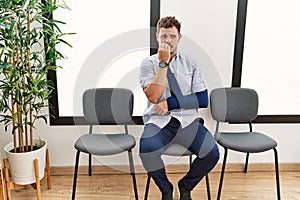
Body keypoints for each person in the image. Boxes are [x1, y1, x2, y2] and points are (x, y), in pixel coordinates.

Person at [139, 16, 220, 200]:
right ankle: (166, 189)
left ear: (179, 37)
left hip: (187, 121)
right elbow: (153, 96)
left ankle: (185, 185)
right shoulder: (148, 64)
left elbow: (202, 99)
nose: (168, 40)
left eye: (172, 36)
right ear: (157, 37)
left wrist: (170, 104)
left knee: (212, 153)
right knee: (146, 150)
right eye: (164, 36)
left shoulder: (190, 62)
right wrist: (163, 63)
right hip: (159, 121)